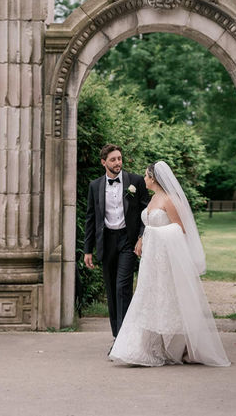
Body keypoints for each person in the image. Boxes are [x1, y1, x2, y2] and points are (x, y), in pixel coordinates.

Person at [109, 161, 231, 367]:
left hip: (166, 260)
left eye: (146, 176)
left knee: (168, 300)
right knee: (148, 299)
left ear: (154, 178)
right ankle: (144, 347)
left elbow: (180, 229)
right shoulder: (153, 198)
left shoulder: (170, 200)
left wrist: (152, 234)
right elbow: (148, 223)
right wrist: (141, 238)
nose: (144, 179)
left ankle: (176, 347)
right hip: (151, 260)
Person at [84, 144, 150, 339]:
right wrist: (88, 250)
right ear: (104, 162)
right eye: (113, 160)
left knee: (123, 287)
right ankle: (117, 336)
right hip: (107, 242)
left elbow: (146, 211)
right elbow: (91, 219)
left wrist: (141, 236)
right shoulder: (95, 186)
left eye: (119, 158)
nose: (117, 163)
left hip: (127, 241)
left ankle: (125, 338)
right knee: (112, 290)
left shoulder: (136, 181)